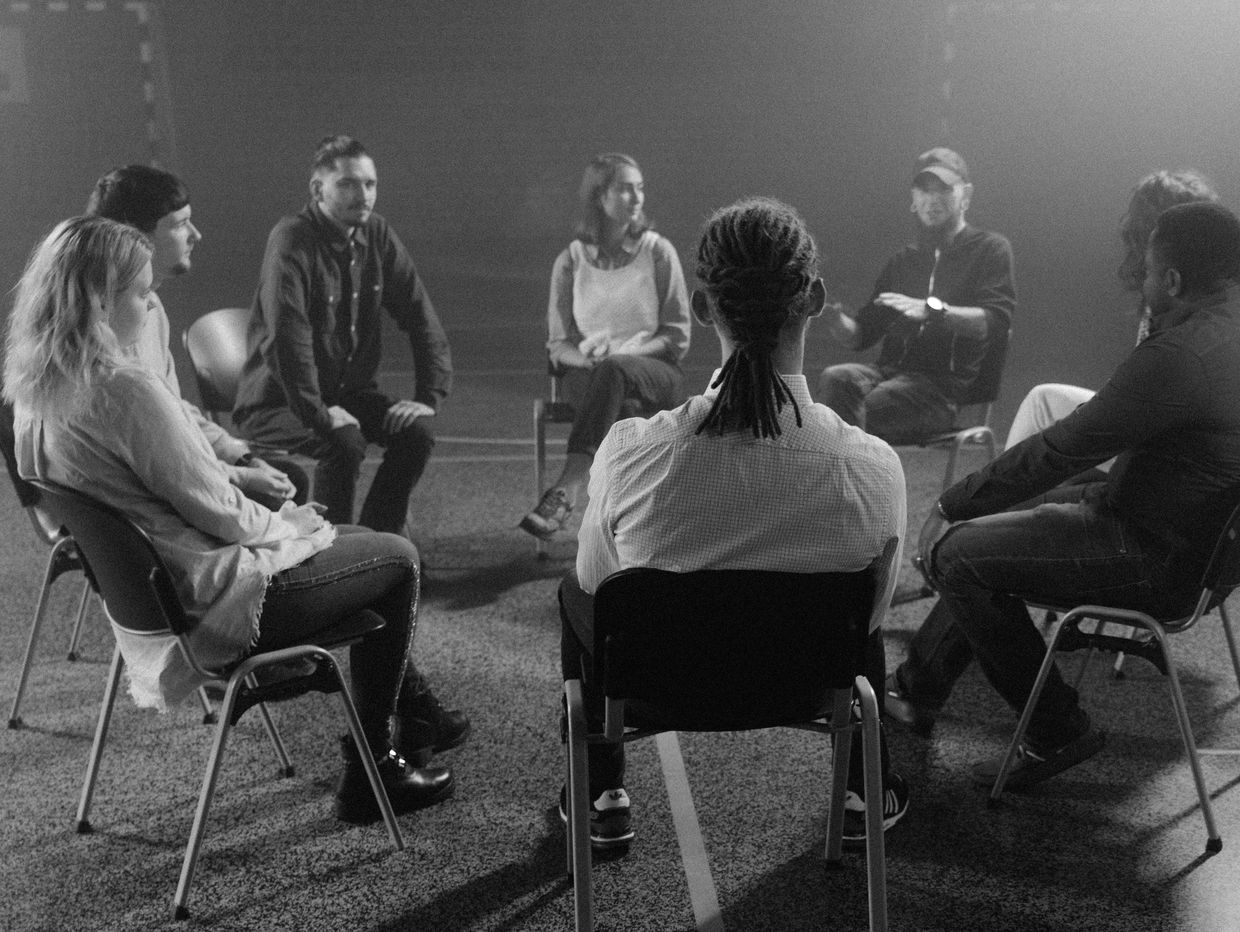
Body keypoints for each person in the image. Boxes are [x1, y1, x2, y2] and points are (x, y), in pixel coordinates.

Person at [3, 216, 467, 822]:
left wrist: (297, 526)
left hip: (153, 607)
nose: (151, 304)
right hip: (213, 599)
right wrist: (294, 527)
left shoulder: (32, 393)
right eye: (142, 293)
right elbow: (220, 511)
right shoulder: (121, 389)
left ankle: (416, 716)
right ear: (97, 301)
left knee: (359, 542)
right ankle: (373, 768)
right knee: (398, 560)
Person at [558, 197, 909, 849]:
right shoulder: (873, 467)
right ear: (814, 299)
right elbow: (873, 616)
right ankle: (866, 786)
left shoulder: (631, 452)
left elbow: (598, 584)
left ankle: (599, 790)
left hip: (657, 690)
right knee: (856, 605)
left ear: (702, 307)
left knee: (575, 591)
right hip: (807, 688)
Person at [905, 201, 1240, 789]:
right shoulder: (1221, 333)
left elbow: (1064, 445)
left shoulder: (1182, 354)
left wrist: (948, 504)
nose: (1140, 283)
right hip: (1200, 545)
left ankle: (1056, 730)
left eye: (1147, 272)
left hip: (1153, 555)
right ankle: (913, 690)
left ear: (1172, 280)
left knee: (958, 555)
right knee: (1000, 521)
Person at [232, 135, 452, 536]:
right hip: (278, 402)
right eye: (347, 184)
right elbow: (288, 337)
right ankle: (331, 555)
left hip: (348, 394)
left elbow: (421, 316)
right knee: (343, 443)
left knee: (417, 434)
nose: (363, 195)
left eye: (370, 184)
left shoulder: (377, 234)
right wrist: (317, 412)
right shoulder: (292, 238)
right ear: (318, 190)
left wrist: (428, 398)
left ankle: (377, 545)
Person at [85, 164, 309, 511]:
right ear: (134, 237)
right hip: (142, 498)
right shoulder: (101, 330)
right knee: (283, 500)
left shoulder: (153, 308)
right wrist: (236, 476)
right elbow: (153, 461)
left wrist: (242, 457)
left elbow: (174, 411)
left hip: (171, 473)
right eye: (179, 224)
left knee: (288, 480)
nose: (196, 235)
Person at [518, 153, 690, 539]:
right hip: (592, 373)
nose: (637, 197)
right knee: (621, 406)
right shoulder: (571, 260)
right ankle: (629, 527)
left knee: (614, 373)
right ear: (600, 196)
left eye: (640, 188)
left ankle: (567, 489)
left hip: (655, 370)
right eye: (625, 189)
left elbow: (677, 336)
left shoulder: (657, 251)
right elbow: (558, 344)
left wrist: (621, 357)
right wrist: (587, 360)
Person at [817, 147, 1016, 442]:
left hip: (940, 393)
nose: (932, 199)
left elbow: (995, 322)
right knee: (835, 378)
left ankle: (853, 468)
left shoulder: (990, 250)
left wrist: (934, 311)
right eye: (924, 190)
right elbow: (861, 335)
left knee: (847, 413)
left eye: (944, 189)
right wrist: (833, 319)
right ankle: (851, 466)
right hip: (887, 376)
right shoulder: (903, 261)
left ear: (966, 195)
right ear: (913, 198)